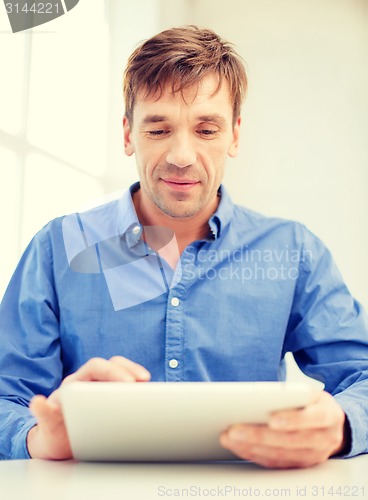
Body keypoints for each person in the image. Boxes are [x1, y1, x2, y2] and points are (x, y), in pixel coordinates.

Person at [0, 25, 368, 468]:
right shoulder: (58, 248)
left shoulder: (293, 252)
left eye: (206, 130)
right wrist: (40, 437)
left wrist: (341, 424)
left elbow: (361, 376)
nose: (181, 155)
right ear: (127, 134)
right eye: (158, 129)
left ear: (234, 135)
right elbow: (7, 395)